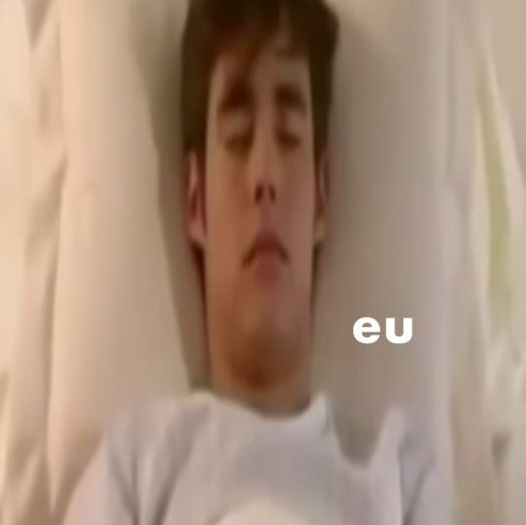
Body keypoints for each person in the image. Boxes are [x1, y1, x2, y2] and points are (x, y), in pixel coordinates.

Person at [64, 0, 450, 523]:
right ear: (196, 204)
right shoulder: (133, 469)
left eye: (289, 137)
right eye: (239, 137)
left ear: (321, 200)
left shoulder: (400, 475)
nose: (265, 174)